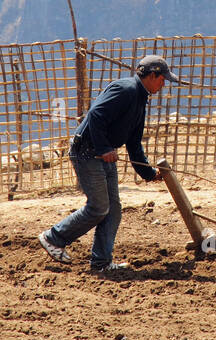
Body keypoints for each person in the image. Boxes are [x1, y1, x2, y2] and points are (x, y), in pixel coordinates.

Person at [38, 54, 179, 272]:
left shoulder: (140, 99)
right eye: (163, 79)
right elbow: (95, 116)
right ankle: (54, 237)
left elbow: (134, 142)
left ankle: (101, 263)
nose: (163, 84)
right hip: (87, 152)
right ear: (152, 76)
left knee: (112, 209)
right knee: (99, 208)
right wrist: (104, 149)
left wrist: (149, 174)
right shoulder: (126, 90)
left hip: (102, 154)